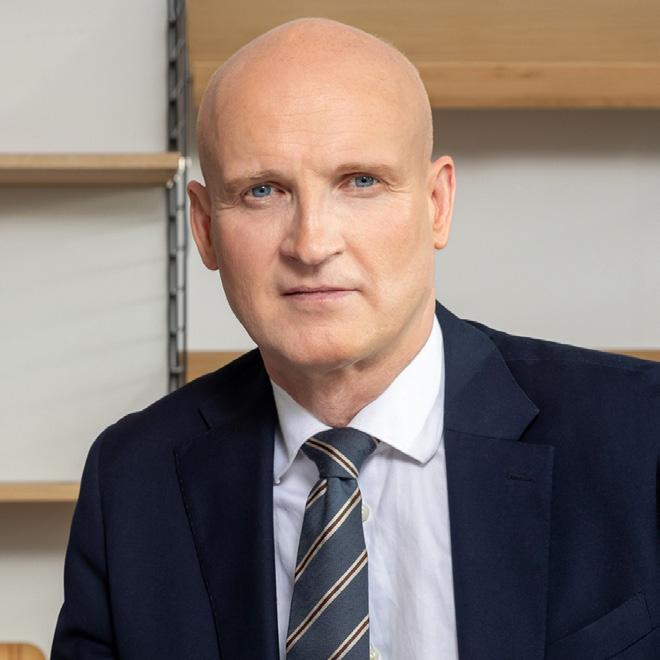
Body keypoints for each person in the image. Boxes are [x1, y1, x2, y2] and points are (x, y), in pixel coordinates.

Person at [51, 17, 659, 660]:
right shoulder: (133, 480)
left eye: (361, 182)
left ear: (437, 205)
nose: (312, 244)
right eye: (263, 191)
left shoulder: (642, 435)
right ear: (204, 229)